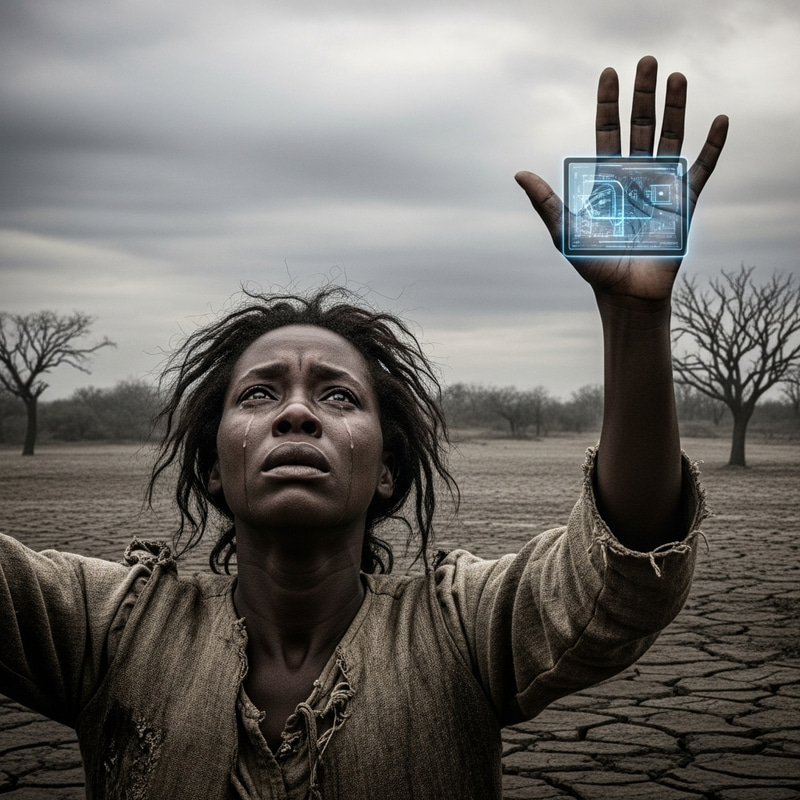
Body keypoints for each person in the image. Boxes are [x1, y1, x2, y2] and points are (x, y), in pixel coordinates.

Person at [0, 56, 727, 799]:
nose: (295, 411)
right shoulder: (109, 629)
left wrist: (636, 320)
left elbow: (622, 572)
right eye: (257, 394)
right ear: (213, 465)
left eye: (338, 397)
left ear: (387, 467)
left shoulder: (462, 634)